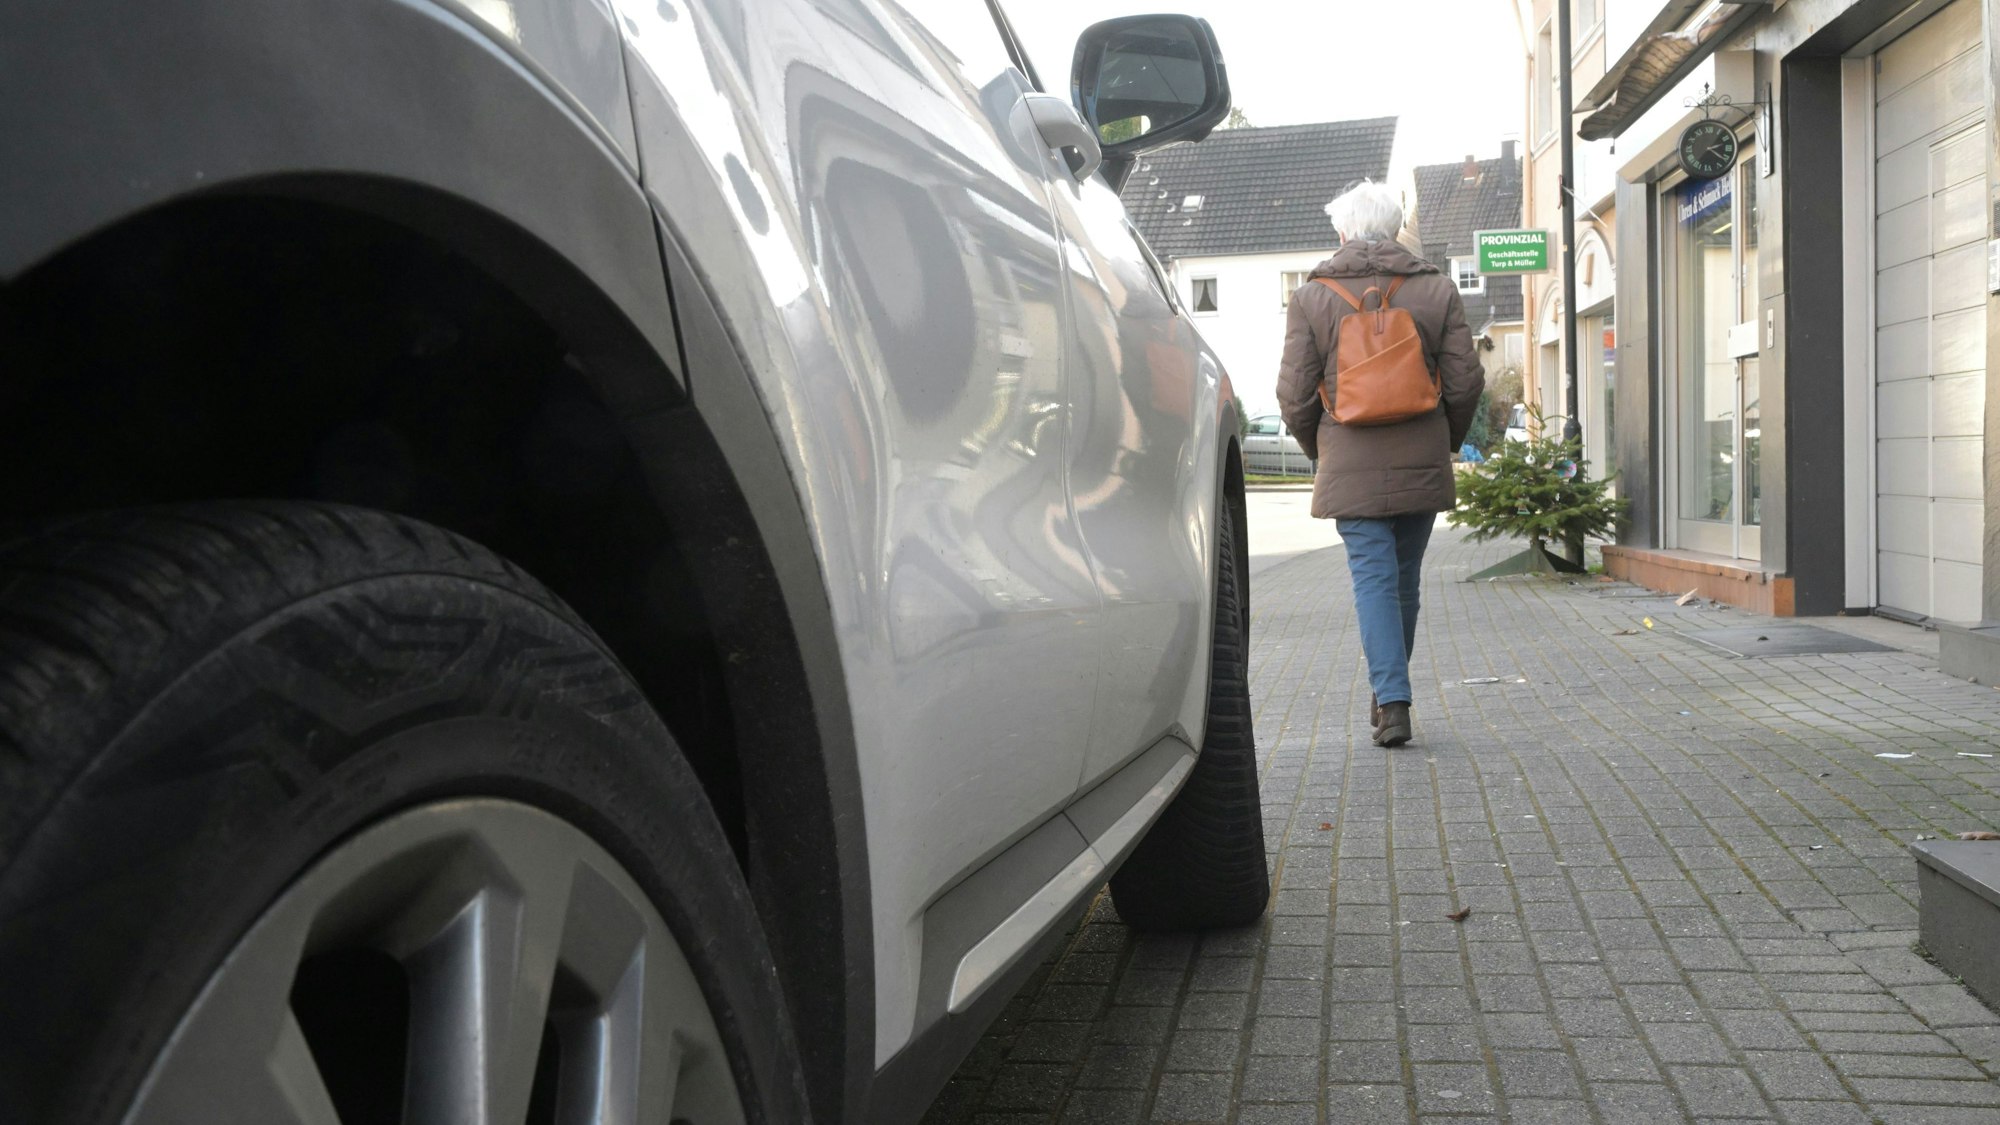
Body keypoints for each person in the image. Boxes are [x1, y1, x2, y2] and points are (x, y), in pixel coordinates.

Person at [1276, 181, 1485, 747]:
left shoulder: (1311, 297)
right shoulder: (1437, 289)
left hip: (1350, 455)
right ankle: (1389, 691)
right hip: (1421, 453)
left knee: (1373, 581)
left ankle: (1392, 697)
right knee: (1404, 582)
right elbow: (1466, 381)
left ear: (1342, 231)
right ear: (1396, 230)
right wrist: (1445, 441)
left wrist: (1324, 451)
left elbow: (1294, 395)